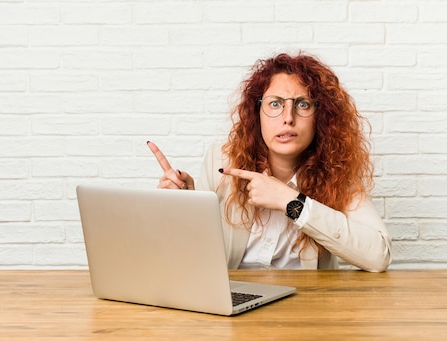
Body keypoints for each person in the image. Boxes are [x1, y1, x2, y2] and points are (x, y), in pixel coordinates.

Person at [148, 52, 391, 272]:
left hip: (306, 308)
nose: (288, 118)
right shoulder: (221, 162)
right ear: (257, 113)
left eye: (302, 104)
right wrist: (187, 205)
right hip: (234, 304)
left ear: (321, 116)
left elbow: (378, 256)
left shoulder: (336, 172)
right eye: (275, 104)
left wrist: (290, 202)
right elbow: (198, 257)